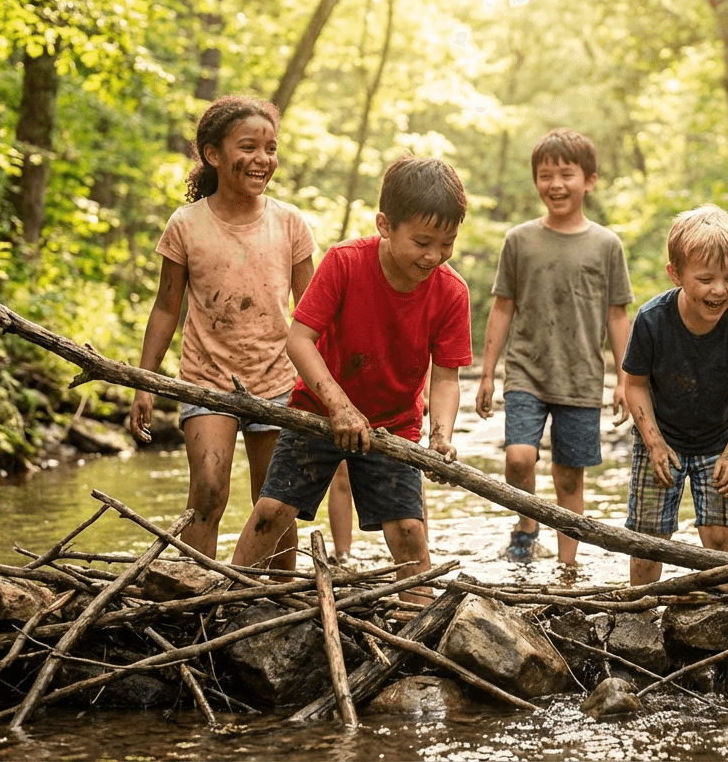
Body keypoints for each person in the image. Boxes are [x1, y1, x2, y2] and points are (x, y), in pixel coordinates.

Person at [231, 156, 472, 602]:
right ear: (385, 225)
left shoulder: (451, 291)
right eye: (423, 241)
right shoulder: (345, 262)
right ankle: (221, 601)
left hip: (394, 425)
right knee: (271, 510)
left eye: (447, 243)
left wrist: (440, 435)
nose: (434, 256)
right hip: (318, 413)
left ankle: (418, 623)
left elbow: (446, 378)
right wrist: (339, 405)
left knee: (407, 532)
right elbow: (299, 340)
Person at [126, 96, 315, 570]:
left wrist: (328, 389)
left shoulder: (290, 222)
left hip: (276, 382)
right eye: (248, 147)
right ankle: (194, 596)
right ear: (213, 154)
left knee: (274, 503)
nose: (262, 159)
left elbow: (314, 315)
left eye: (270, 149)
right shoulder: (185, 225)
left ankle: (279, 602)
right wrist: (143, 384)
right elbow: (167, 308)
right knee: (208, 492)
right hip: (206, 380)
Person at [474, 128, 634, 566]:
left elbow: (617, 316)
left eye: (567, 174)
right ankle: (527, 522)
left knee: (568, 478)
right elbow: (502, 308)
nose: (556, 184)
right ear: (536, 181)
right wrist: (488, 372)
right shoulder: (520, 240)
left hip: (581, 377)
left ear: (590, 180)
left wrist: (625, 379)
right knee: (519, 458)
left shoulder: (606, 245)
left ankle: (567, 566)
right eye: (546, 175)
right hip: (526, 369)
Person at [622, 205, 728, 586]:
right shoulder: (652, 320)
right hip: (660, 439)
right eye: (705, 279)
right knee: (649, 539)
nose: (719, 290)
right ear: (676, 274)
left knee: (719, 538)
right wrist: (654, 444)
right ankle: (640, 615)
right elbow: (634, 384)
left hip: (717, 443)